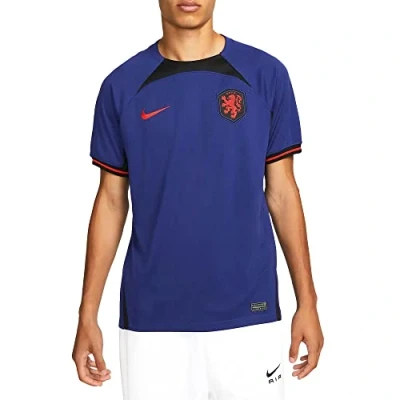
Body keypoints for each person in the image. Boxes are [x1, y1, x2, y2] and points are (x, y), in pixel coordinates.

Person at [72, 0, 324, 399]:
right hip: (151, 322)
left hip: (249, 313)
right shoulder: (122, 86)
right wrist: (87, 313)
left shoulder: (265, 74)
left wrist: (307, 301)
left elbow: (282, 193)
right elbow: (111, 201)